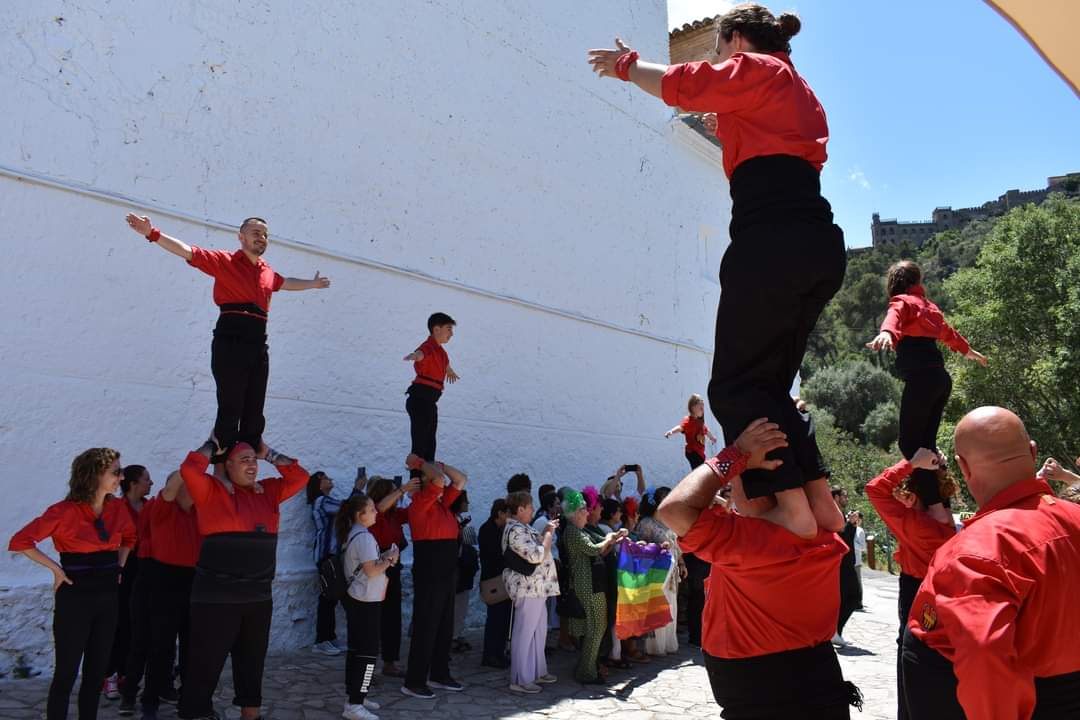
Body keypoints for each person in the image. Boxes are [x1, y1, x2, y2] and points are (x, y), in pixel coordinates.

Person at [588, 4, 845, 539]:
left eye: (719, 49)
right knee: (770, 386)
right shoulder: (800, 90)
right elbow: (775, 149)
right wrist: (729, 125)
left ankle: (793, 511)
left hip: (770, 239)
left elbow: (685, 84)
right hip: (816, 242)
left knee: (735, 385)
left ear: (736, 41)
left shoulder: (758, 67)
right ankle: (821, 504)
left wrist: (626, 66)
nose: (718, 57)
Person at [657, 419, 862, 718]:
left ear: (758, 492)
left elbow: (672, 509)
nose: (732, 493)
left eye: (736, 483)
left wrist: (735, 455)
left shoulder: (747, 542)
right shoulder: (825, 535)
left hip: (761, 693)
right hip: (819, 683)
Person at [901, 407, 1080, 719]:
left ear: (963, 467)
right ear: (1033, 452)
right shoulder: (1074, 518)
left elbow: (984, 656)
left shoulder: (975, 550)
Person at [124, 214, 330, 457]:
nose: (262, 238)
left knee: (254, 411)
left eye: (265, 235)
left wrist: (312, 284)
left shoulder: (266, 271)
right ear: (241, 237)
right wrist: (152, 233)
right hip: (231, 338)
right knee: (231, 407)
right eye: (256, 233)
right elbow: (187, 251)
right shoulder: (225, 261)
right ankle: (219, 458)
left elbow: (285, 283)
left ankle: (249, 455)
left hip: (258, 343)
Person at [177, 437, 309, 720]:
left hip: (258, 598)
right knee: (205, 663)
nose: (252, 465)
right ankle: (194, 713)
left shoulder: (268, 491)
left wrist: (268, 453)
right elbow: (189, 469)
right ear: (228, 465)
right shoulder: (211, 491)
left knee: (252, 662)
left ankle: (251, 714)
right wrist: (212, 446)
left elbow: (300, 477)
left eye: (253, 459)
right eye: (244, 460)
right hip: (216, 599)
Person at [8, 448, 137, 720]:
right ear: (94, 475)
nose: (121, 477)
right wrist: (55, 569)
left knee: (96, 672)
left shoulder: (117, 508)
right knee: (66, 673)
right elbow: (20, 541)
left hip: (108, 596)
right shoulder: (63, 512)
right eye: (115, 472)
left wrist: (119, 566)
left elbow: (129, 538)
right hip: (75, 597)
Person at [866, 260, 988, 512]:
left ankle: (935, 508)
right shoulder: (929, 307)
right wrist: (969, 352)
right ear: (918, 281)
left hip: (922, 381)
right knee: (926, 445)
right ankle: (943, 505)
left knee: (910, 446)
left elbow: (893, 318)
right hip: (940, 380)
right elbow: (949, 334)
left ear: (894, 282)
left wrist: (887, 333)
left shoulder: (902, 302)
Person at [865, 449, 957, 720]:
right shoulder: (949, 524)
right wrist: (937, 470)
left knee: (910, 656)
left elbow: (875, 489)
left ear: (913, 495)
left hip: (915, 590)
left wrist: (912, 463)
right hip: (944, 592)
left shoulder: (916, 524)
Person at [399, 454, 469, 699]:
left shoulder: (442, 504)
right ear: (425, 482)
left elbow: (460, 479)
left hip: (447, 569)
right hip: (430, 568)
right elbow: (439, 479)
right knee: (426, 625)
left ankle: (439, 674)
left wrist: (439, 464)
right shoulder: (419, 504)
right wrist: (420, 463)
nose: (441, 481)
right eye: (433, 477)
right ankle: (414, 681)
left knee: (444, 624)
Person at [140, 470, 202, 720]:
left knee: (192, 647)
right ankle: (150, 702)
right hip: (165, 580)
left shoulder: (201, 511)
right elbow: (171, 487)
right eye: (188, 486)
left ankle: (189, 700)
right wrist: (191, 467)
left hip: (195, 581)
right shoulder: (161, 508)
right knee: (160, 647)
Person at [336, 493, 400, 720]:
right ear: (359, 514)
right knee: (368, 654)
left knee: (356, 650)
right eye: (371, 509)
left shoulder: (354, 534)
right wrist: (390, 559)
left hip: (358, 598)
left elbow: (367, 565)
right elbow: (372, 570)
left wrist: (383, 557)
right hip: (365, 600)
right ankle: (355, 704)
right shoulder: (363, 537)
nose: (375, 512)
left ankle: (355, 698)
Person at [563, 489, 628, 684]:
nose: (588, 512)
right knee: (595, 628)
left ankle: (588, 669)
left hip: (593, 583)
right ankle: (586, 672)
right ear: (576, 513)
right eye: (584, 509)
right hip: (587, 585)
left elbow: (601, 542)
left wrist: (615, 536)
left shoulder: (580, 530)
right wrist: (610, 539)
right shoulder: (572, 531)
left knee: (597, 628)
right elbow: (594, 549)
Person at [502, 491, 560, 693]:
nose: (532, 510)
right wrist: (549, 535)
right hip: (527, 588)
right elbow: (536, 555)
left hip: (536, 588)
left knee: (538, 632)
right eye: (529, 507)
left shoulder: (523, 528)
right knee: (524, 633)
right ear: (520, 509)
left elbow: (535, 544)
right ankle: (520, 679)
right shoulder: (515, 530)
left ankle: (537, 671)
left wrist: (546, 531)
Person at [307, 469, 367, 656]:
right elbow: (347, 509)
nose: (329, 479)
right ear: (318, 484)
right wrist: (357, 490)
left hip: (332, 556)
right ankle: (321, 640)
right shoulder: (322, 501)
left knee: (331, 598)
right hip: (327, 556)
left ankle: (329, 638)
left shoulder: (327, 501)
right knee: (328, 598)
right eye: (325, 478)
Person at [108, 466, 153, 704]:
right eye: (146, 479)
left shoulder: (150, 506)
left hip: (145, 569)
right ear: (133, 483)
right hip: (122, 569)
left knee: (137, 624)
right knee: (118, 623)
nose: (151, 483)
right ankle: (110, 674)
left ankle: (128, 673)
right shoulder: (116, 507)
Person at [368, 476, 418, 678]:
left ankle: (390, 662)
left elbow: (413, 512)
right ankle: (368, 670)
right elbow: (379, 508)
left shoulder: (394, 515)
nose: (397, 496)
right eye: (392, 492)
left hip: (392, 569)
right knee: (373, 619)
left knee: (392, 617)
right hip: (375, 569)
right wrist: (402, 490)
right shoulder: (373, 513)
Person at [403, 313, 458, 478]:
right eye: (449, 329)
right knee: (420, 444)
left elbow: (446, 365)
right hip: (419, 399)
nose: (451, 334)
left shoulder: (442, 353)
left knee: (430, 444)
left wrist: (450, 371)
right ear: (436, 329)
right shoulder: (428, 346)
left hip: (430, 402)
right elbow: (421, 354)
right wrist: (415, 356)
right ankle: (416, 482)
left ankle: (428, 480)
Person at [636, 488, 685, 656]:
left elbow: (677, 546)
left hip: (671, 572)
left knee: (670, 604)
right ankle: (654, 646)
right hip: (656, 572)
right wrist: (657, 549)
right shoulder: (646, 523)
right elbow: (640, 546)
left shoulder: (669, 521)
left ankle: (668, 643)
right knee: (658, 605)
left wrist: (682, 563)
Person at [479, 498, 512, 669]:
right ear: (500, 513)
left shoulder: (500, 529)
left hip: (502, 579)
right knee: (495, 620)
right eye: (508, 513)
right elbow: (495, 556)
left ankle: (498, 653)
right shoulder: (488, 530)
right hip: (493, 581)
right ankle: (490, 655)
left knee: (503, 619)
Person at [831, 487, 860, 648]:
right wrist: (849, 525)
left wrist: (852, 525)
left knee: (849, 597)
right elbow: (840, 538)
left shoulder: (839, 514)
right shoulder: (832, 514)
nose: (846, 498)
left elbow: (848, 539)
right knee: (851, 596)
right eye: (844, 496)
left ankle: (837, 631)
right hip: (840, 563)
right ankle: (834, 631)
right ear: (836, 497)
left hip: (846, 562)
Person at [451, 492, 479, 654]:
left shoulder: (459, 520)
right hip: (457, 569)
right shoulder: (452, 521)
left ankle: (457, 633)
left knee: (461, 604)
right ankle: (452, 637)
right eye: (465, 501)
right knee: (456, 604)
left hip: (465, 569)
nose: (467, 503)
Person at [665, 394, 718, 469]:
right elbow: (680, 427)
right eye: (700, 408)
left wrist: (712, 438)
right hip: (693, 452)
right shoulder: (688, 421)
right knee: (698, 471)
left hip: (700, 453)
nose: (703, 411)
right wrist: (671, 431)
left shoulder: (700, 422)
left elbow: (706, 430)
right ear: (693, 408)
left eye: (703, 409)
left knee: (699, 470)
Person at [851, 511, 867, 610]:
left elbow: (863, 547)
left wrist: (852, 543)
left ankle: (859, 602)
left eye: (857, 518)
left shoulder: (860, 531)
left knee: (857, 582)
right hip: (847, 560)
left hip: (856, 561)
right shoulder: (846, 528)